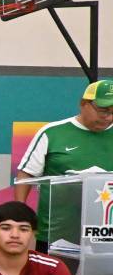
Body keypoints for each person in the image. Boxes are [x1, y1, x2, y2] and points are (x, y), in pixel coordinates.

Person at [15, 79, 113, 252]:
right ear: (83, 104)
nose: (108, 117)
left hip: (106, 231)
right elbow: (26, 175)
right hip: (57, 232)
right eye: (103, 110)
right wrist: (18, 217)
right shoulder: (52, 133)